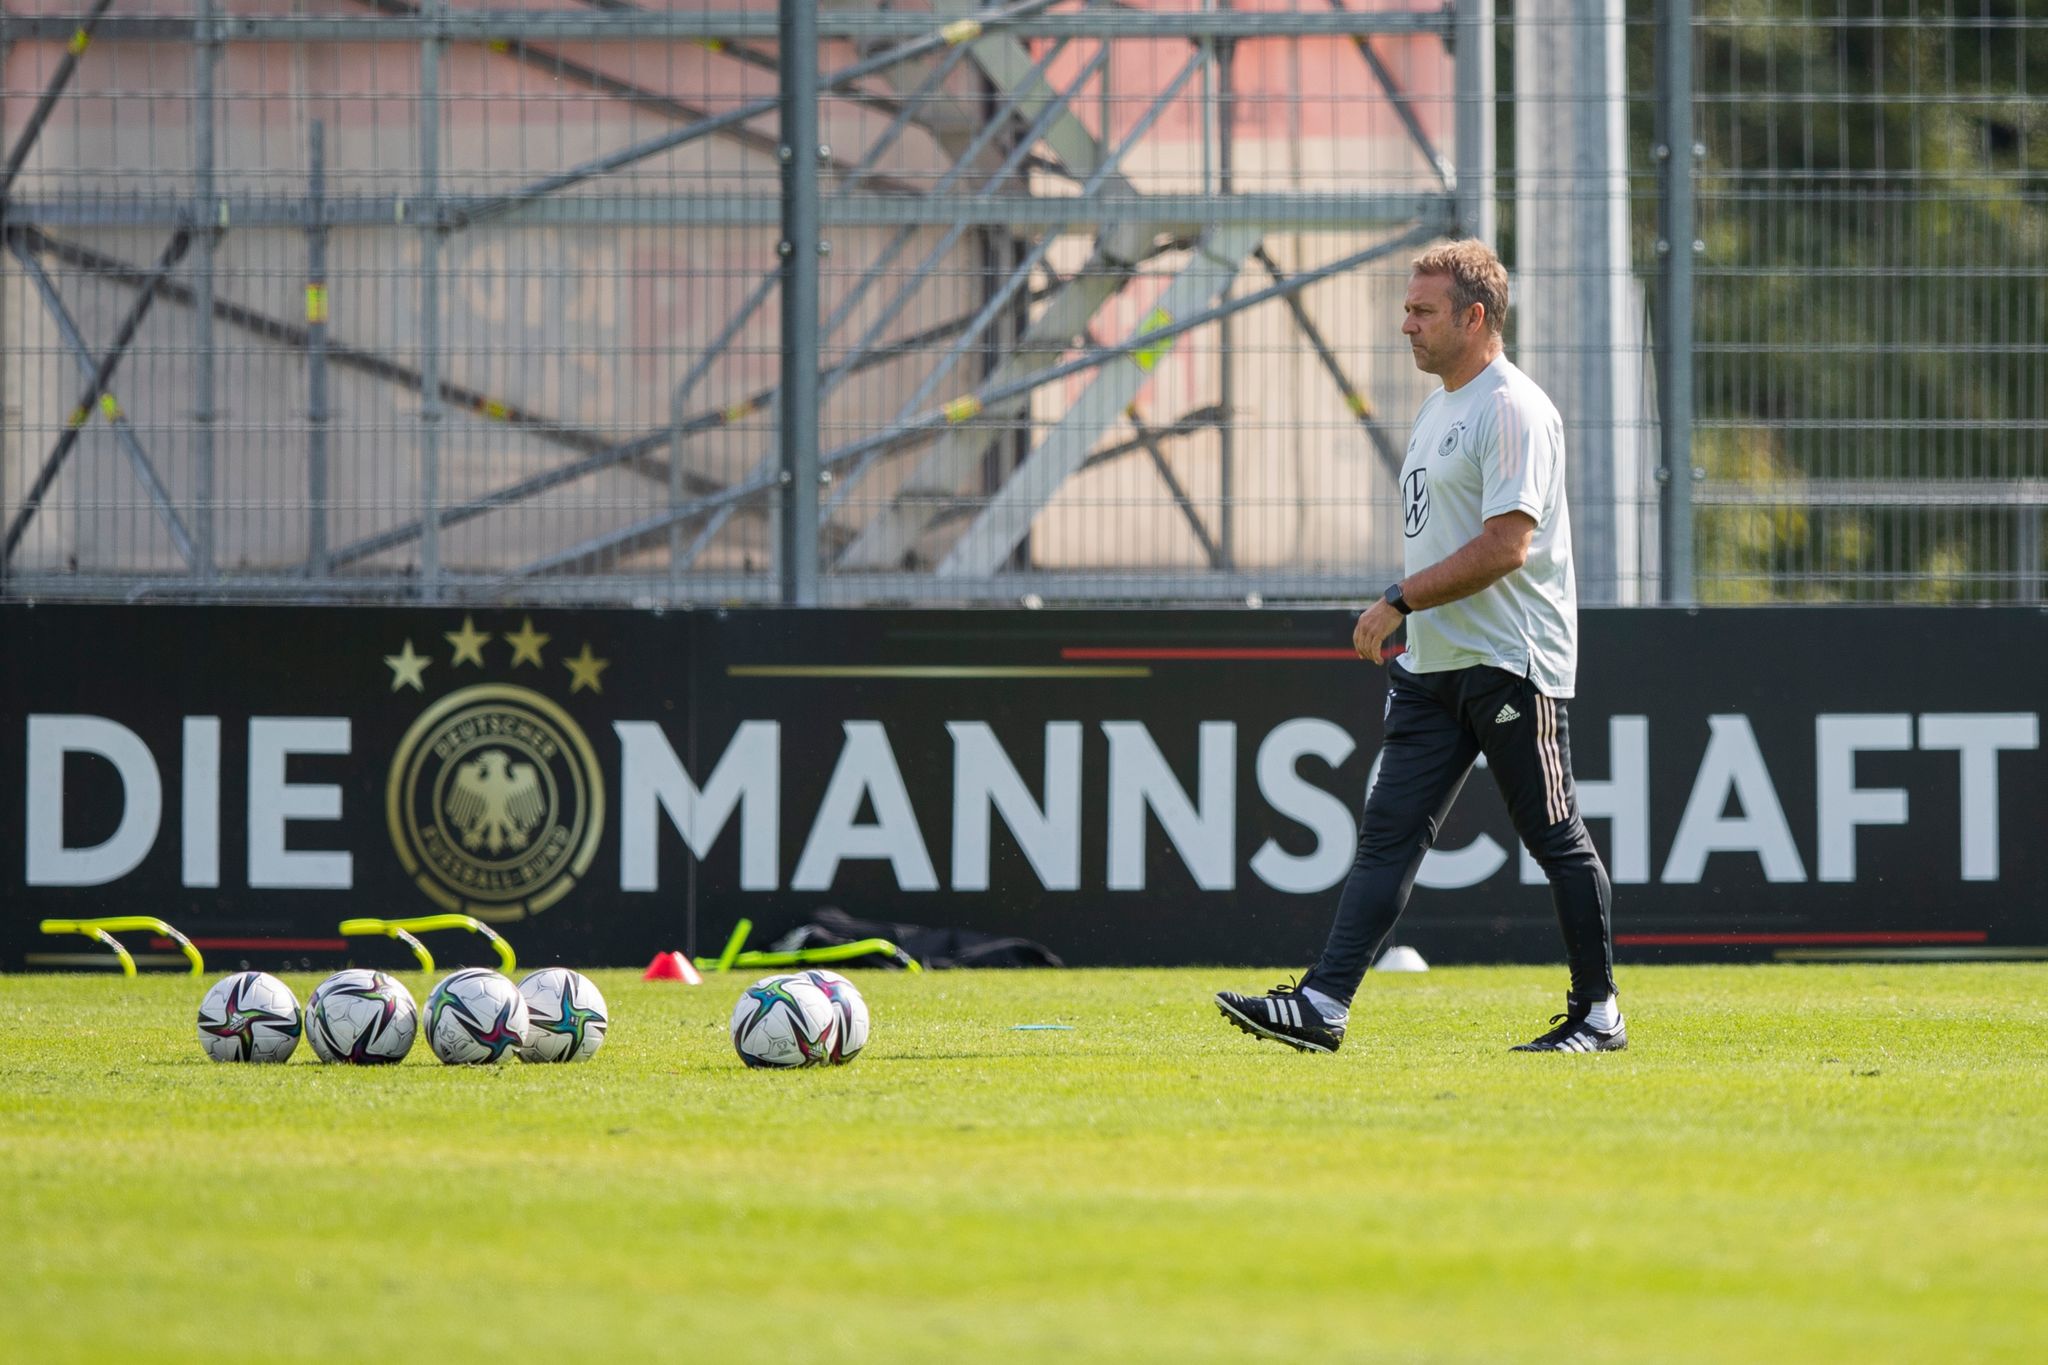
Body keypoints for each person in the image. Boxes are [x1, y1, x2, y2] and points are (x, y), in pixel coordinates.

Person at [1215, 239, 1623, 1055]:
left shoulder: (1512, 407)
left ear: (1475, 317)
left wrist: (1399, 599)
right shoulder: (1441, 407)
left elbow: (1507, 544)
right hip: (1435, 665)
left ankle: (1598, 1012)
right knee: (1387, 834)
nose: (1405, 324)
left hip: (1511, 660)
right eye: (1406, 308)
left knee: (1554, 834)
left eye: (1422, 310)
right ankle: (1324, 1003)